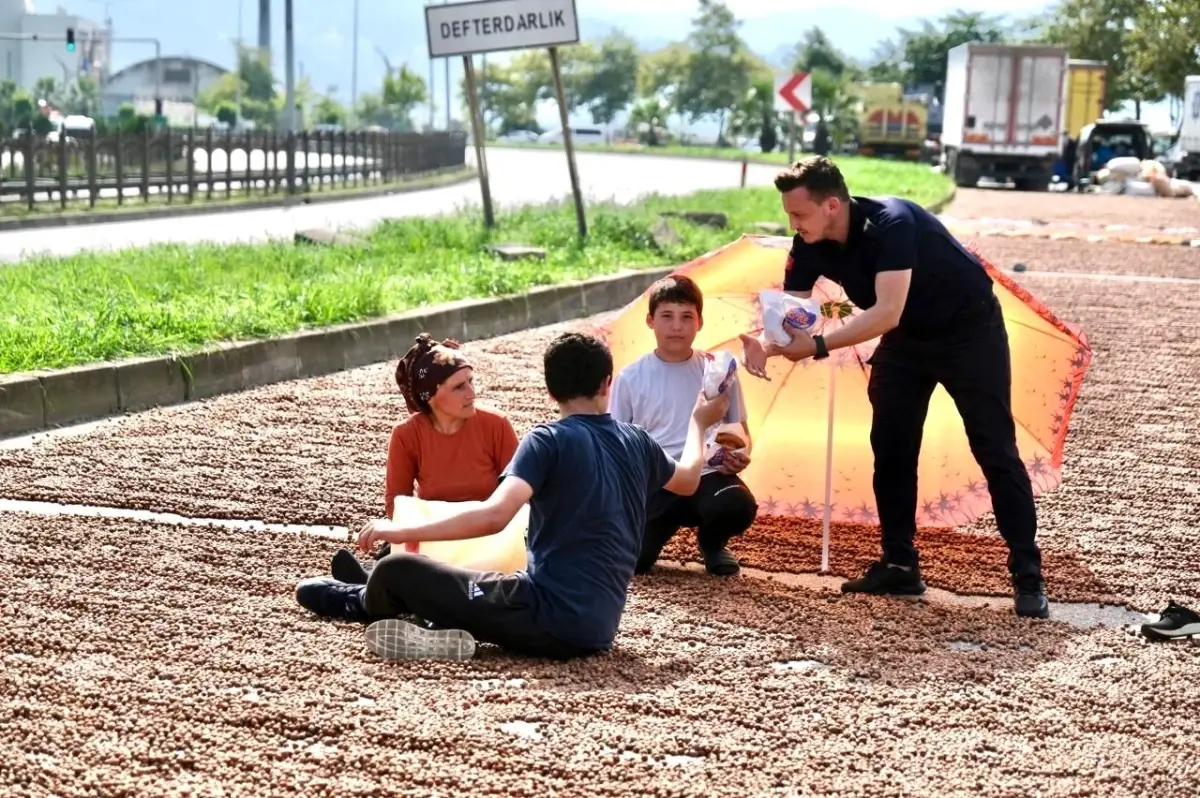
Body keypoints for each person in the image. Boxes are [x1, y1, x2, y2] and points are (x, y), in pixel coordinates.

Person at [739, 156, 1049, 619]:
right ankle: (900, 564)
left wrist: (819, 345)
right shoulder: (807, 244)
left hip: (969, 332)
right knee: (891, 447)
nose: (792, 223)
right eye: (788, 214)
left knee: (994, 448)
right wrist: (765, 342)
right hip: (906, 344)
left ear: (831, 206)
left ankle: (1028, 576)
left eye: (799, 214)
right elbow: (791, 316)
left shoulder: (892, 222)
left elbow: (886, 312)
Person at [295, 332, 730, 661]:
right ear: (607, 383)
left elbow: (494, 516)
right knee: (453, 577)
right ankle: (413, 611)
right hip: (599, 627)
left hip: (545, 614)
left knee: (398, 569)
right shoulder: (638, 442)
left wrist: (399, 528)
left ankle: (362, 598)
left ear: (550, 389)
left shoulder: (547, 440)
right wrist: (699, 421)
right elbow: (690, 479)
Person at [327, 333, 519, 585]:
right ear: (430, 396)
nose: (471, 393)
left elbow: (518, 498)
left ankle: (377, 581)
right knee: (399, 547)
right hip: (434, 531)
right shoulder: (406, 434)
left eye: (471, 381)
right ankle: (378, 578)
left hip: (491, 531)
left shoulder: (496, 425)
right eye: (459, 387)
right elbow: (397, 503)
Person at [609, 275, 758, 577]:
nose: (676, 326)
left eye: (686, 316)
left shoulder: (718, 371)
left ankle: (712, 544)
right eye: (667, 316)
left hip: (707, 475)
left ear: (700, 322)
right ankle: (649, 531)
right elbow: (614, 446)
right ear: (650, 321)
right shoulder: (630, 377)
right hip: (658, 481)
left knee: (736, 505)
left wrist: (738, 457)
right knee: (634, 564)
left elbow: (739, 432)